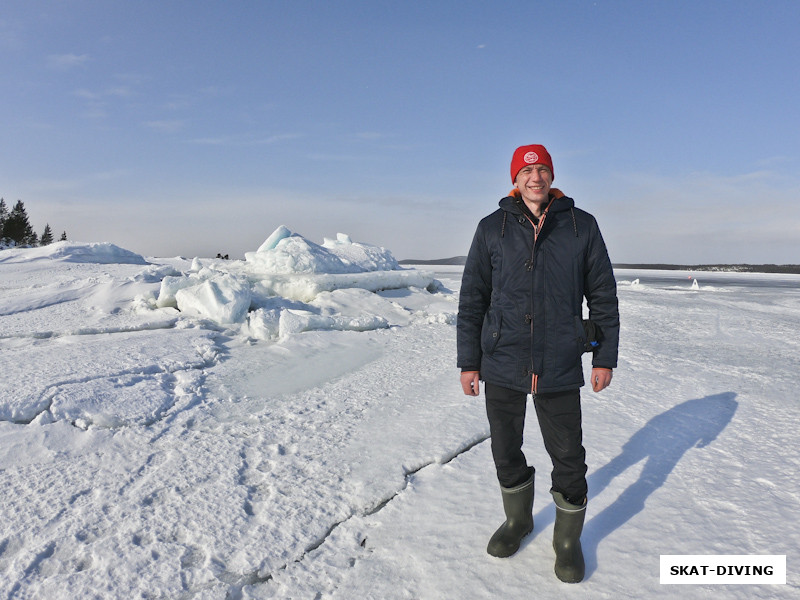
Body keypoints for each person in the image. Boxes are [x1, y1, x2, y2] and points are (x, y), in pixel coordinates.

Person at [457, 144, 619, 583]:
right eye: (527, 171)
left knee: (568, 456)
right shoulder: (492, 228)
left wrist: (604, 356)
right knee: (505, 449)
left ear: (551, 176)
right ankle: (519, 521)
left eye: (543, 169)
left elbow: (602, 295)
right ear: (515, 179)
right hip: (502, 359)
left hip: (560, 360)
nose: (535, 178)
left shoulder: (580, 226)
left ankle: (566, 542)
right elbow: (473, 299)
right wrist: (468, 362)